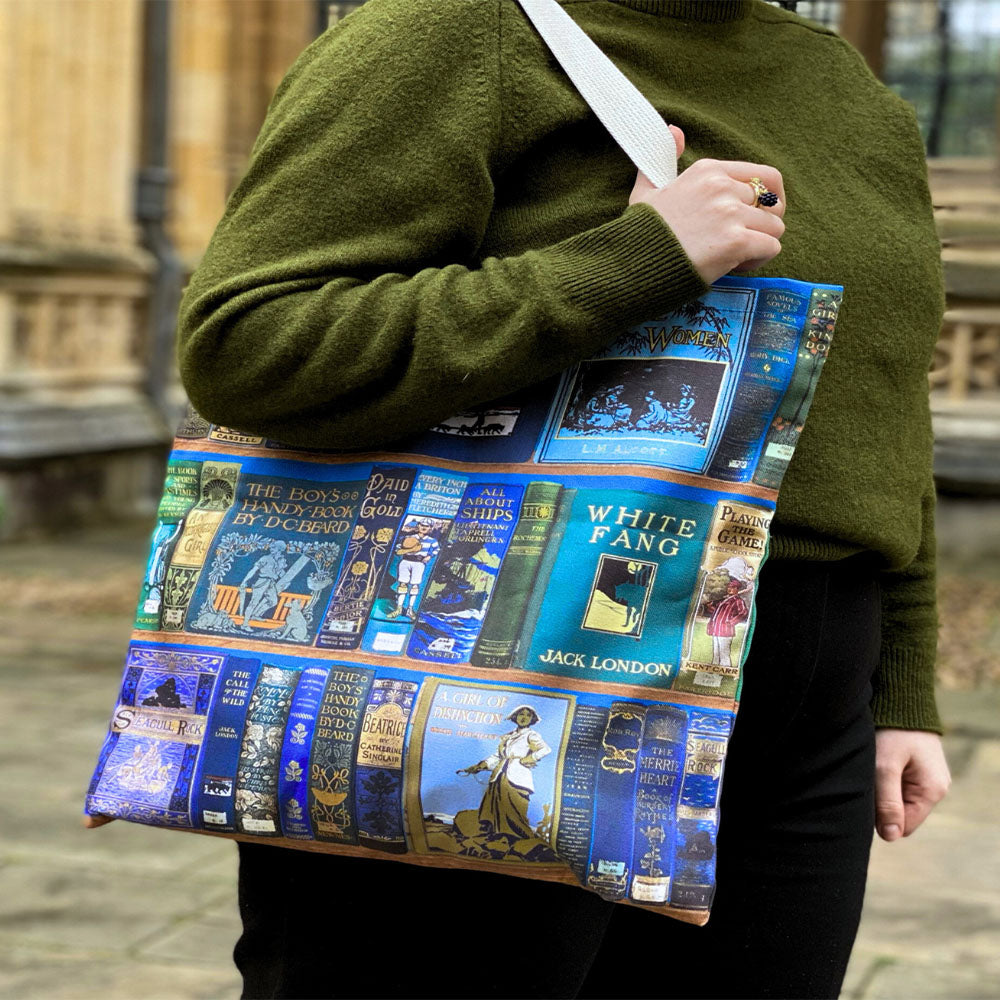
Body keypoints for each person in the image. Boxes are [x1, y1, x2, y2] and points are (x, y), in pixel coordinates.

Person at [176, 1, 952, 996]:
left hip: (803, 713)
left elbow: (885, 401)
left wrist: (901, 687)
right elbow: (249, 345)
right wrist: (635, 260)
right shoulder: (452, 32)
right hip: (501, 670)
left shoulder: (847, 92)